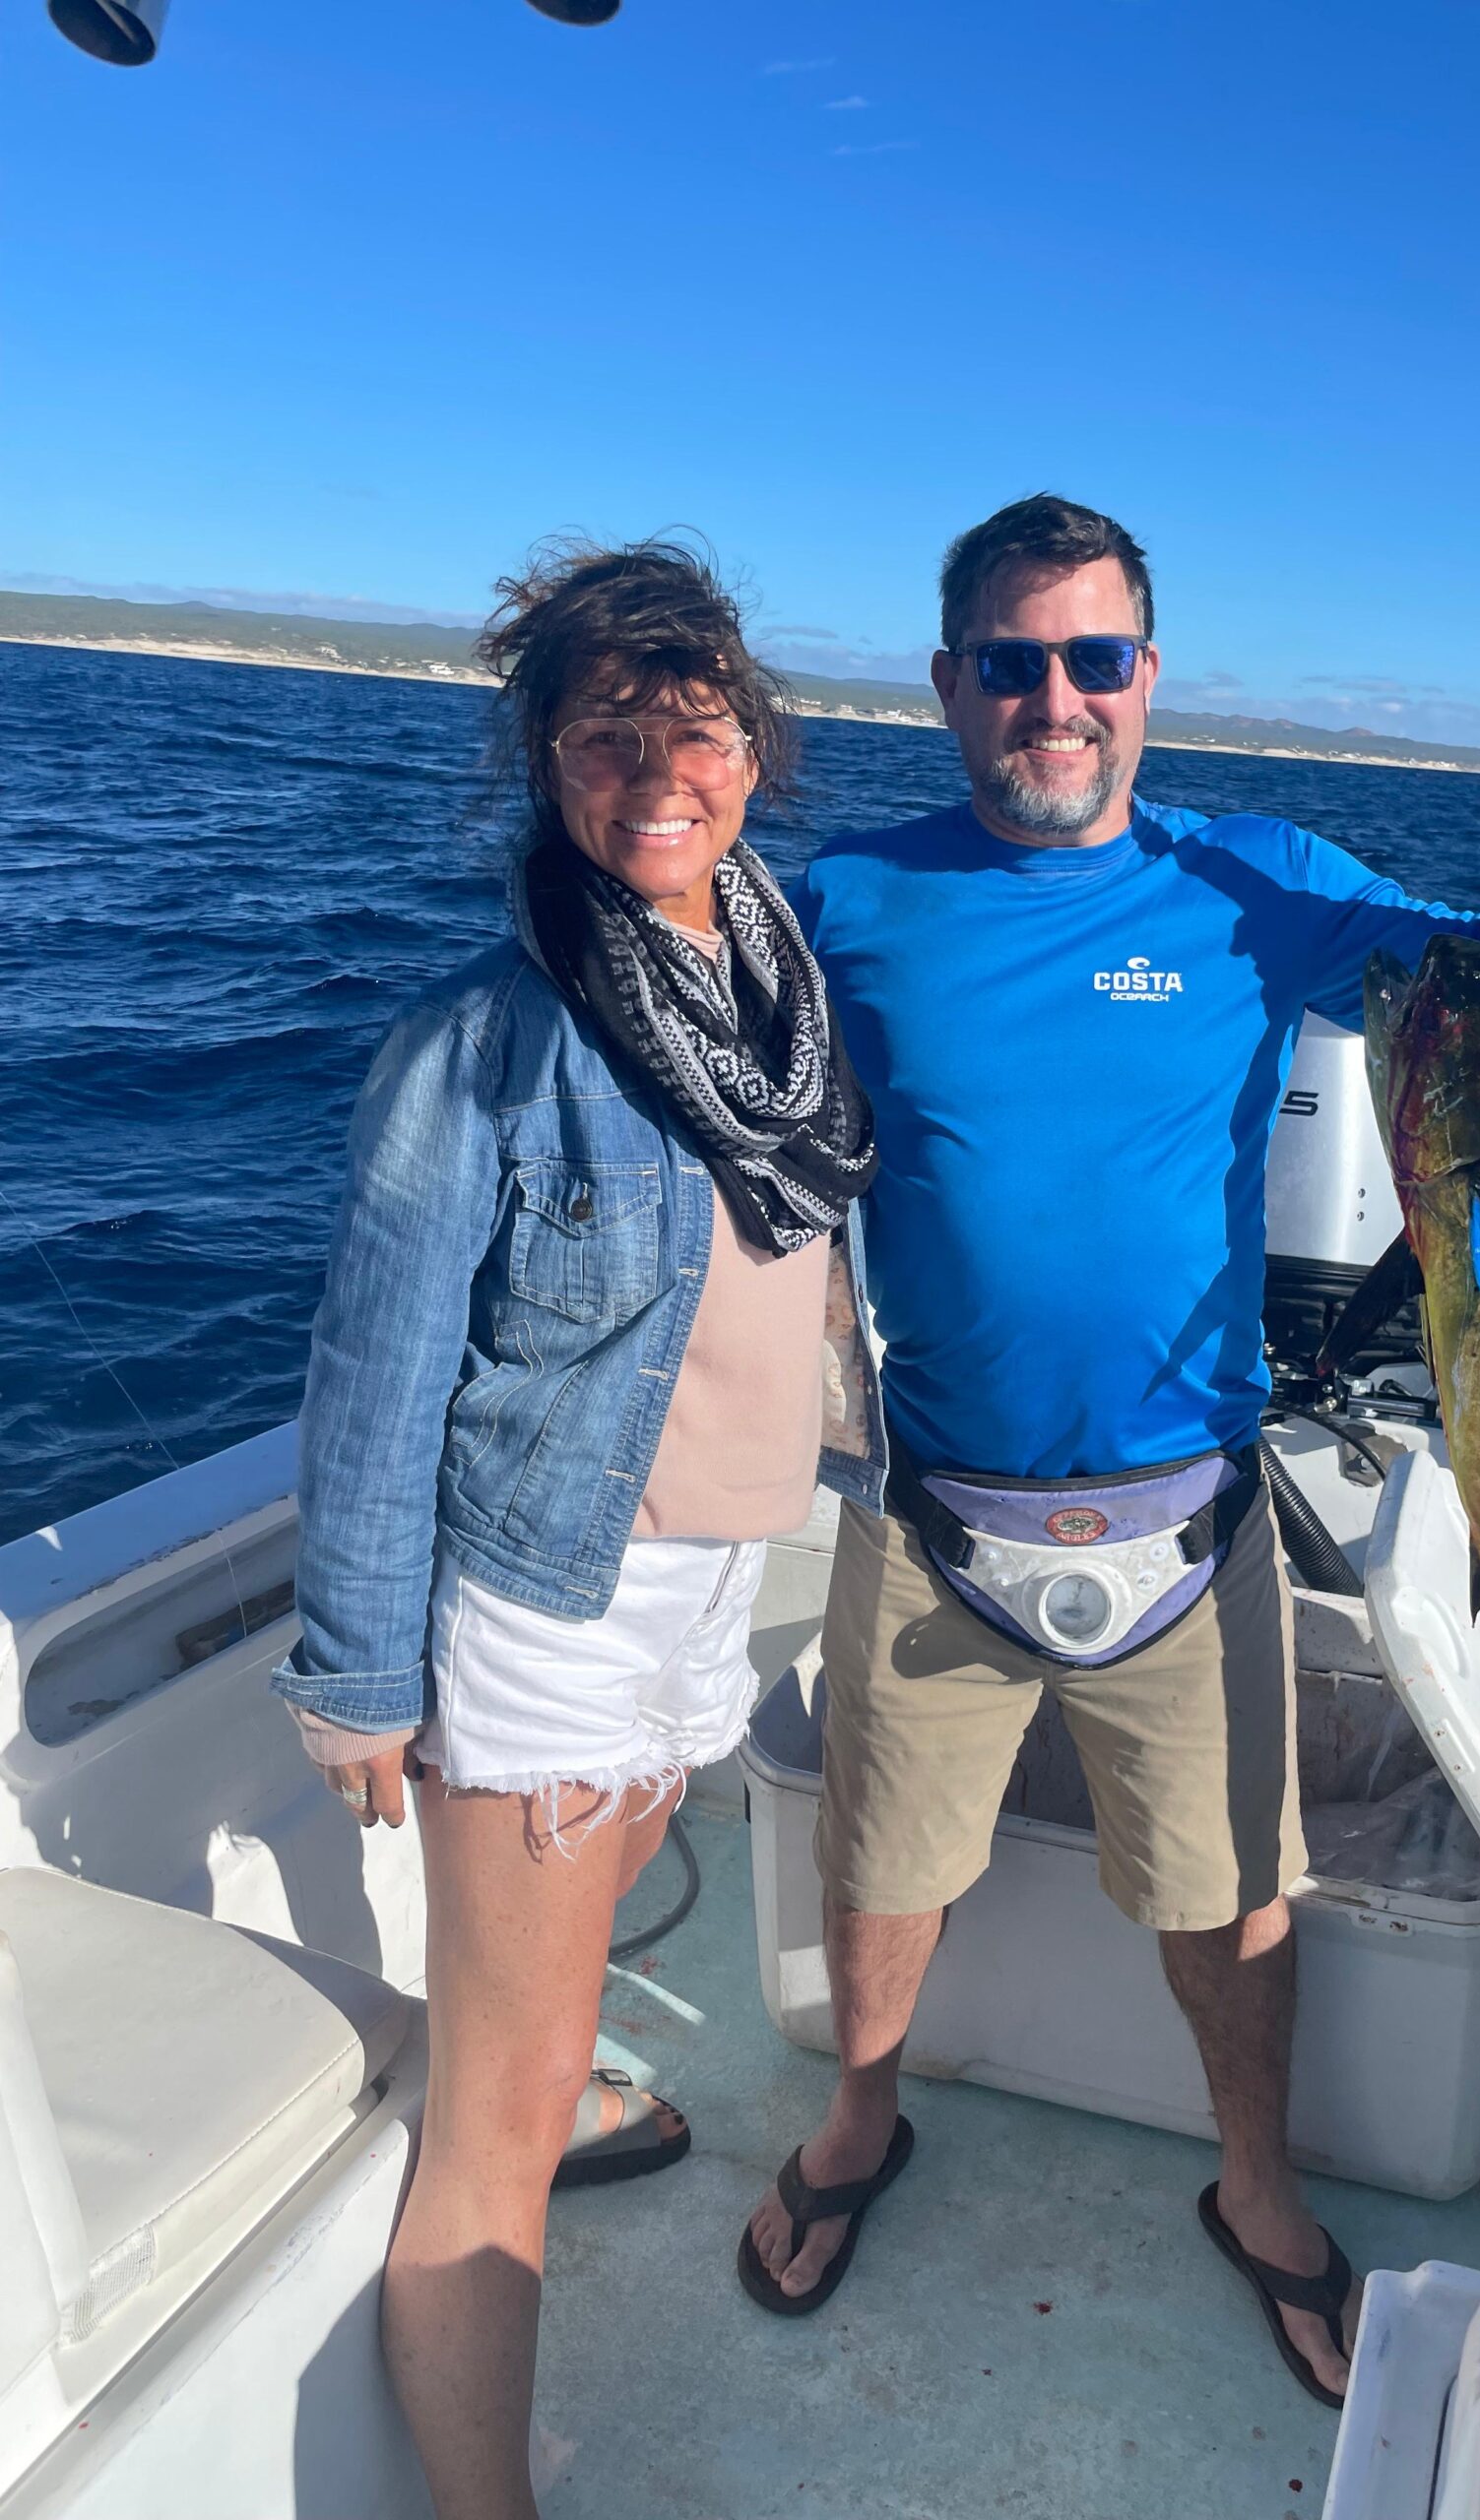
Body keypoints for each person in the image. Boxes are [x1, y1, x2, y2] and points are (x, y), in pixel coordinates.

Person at [740, 492, 1480, 2407]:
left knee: (1234, 1895)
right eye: (1011, 663)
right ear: (948, 685)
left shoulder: (1252, 879)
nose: (1054, 699)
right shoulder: (840, 899)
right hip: (927, 1509)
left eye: (1092, 659)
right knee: (878, 1866)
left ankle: (1252, 2189)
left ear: (1147, 680)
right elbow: (689, 1075)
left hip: (1195, 1513)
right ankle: (859, 2118)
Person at [274, 540, 881, 2520]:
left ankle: (547, 2051)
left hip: (708, 1577)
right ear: (542, 756)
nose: (652, 765)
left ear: (754, 742)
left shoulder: (782, 980)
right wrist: (362, 1678)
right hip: (551, 1596)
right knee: (503, 2118)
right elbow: (373, 1374)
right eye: (601, 727)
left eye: (688, 721)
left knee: (589, 1917)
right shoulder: (489, 1036)